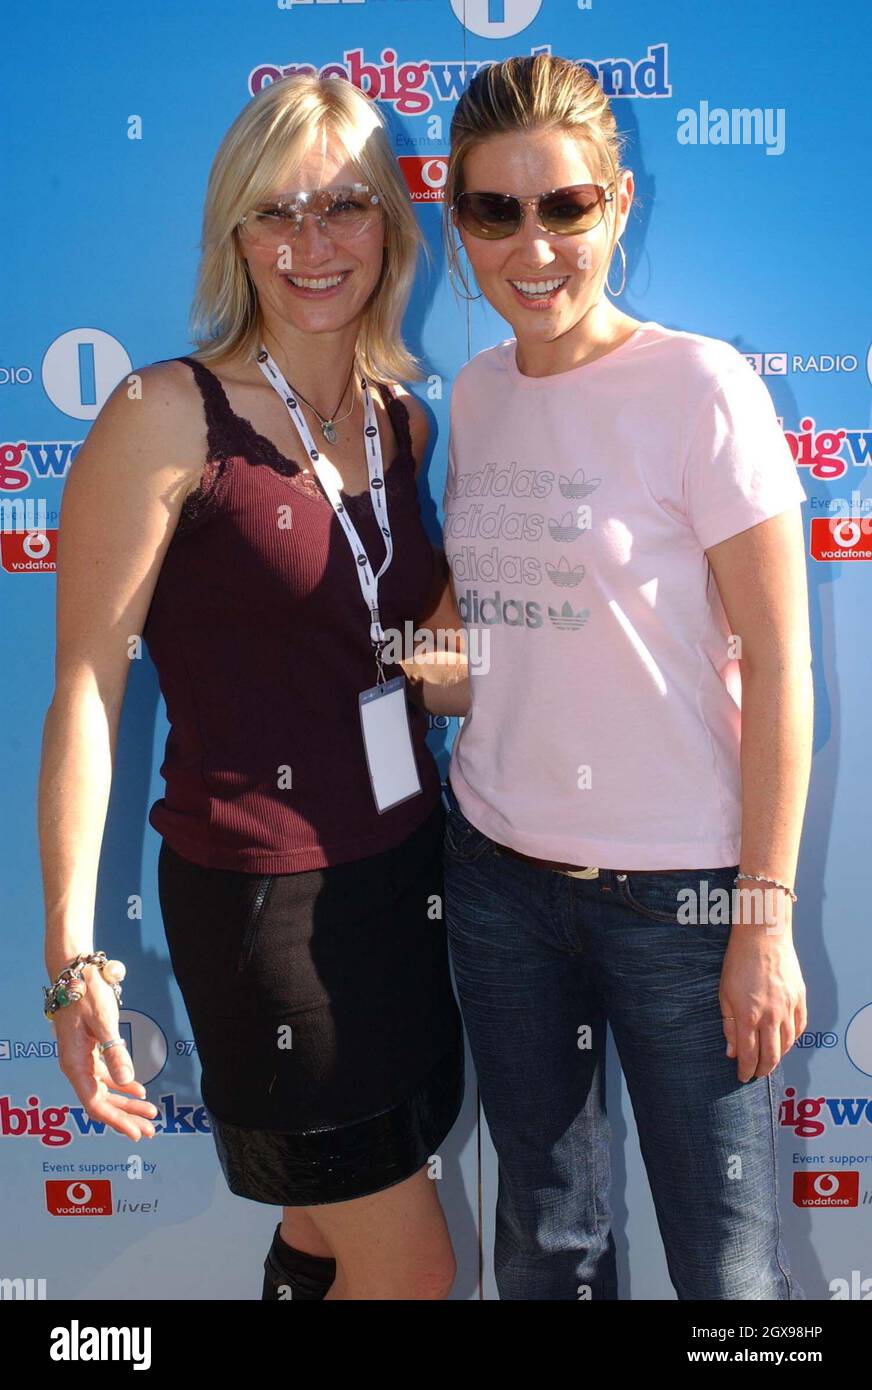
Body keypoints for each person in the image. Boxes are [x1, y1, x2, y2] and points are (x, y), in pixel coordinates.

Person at [38, 72, 468, 1302]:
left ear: (391, 220)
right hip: (263, 911)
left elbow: (434, 672)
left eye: (342, 206)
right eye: (276, 213)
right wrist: (73, 955)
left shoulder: (400, 425)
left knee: (328, 1233)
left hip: (402, 877)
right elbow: (85, 690)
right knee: (412, 1268)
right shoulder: (164, 415)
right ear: (235, 234)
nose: (313, 243)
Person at [439, 54, 811, 1300]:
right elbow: (487, 639)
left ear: (617, 206)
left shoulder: (699, 387)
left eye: (564, 207)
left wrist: (760, 915)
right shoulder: (475, 392)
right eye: (495, 210)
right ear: (457, 220)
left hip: (682, 898)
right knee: (545, 1249)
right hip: (494, 882)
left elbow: (778, 661)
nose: (531, 245)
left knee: (727, 1265)